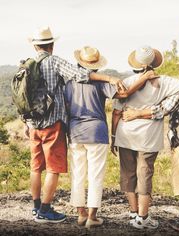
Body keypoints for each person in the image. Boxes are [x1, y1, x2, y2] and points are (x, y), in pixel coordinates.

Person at [23, 26, 126, 224]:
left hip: (34, 124)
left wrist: (27, 123)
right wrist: (110, 77)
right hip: (53, 124)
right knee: (54, 168)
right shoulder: (54, 61)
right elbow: (81, 75)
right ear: (51, 44)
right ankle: (45, 210)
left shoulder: (28, 64)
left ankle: (36, 208)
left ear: (35, 46)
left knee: (36, 167)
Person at [111, 46, 179, 230]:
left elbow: (116, 113)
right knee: (145, 174)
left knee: (128, 174)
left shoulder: (125, 82)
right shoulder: (163, 81)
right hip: (148, 138)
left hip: (125, 135)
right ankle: (143, 217)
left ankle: (133, 213)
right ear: (153, 63)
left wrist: (113, 136)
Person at [64, 46, 157, 228]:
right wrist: (144, 78)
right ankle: (92, 216)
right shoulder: (100, 83)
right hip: (96, 131)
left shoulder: (69, 82)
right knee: (95, 175)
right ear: (97, 66)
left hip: (75, 131)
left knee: (78, 174)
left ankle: (81, 214)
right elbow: (124, 94)